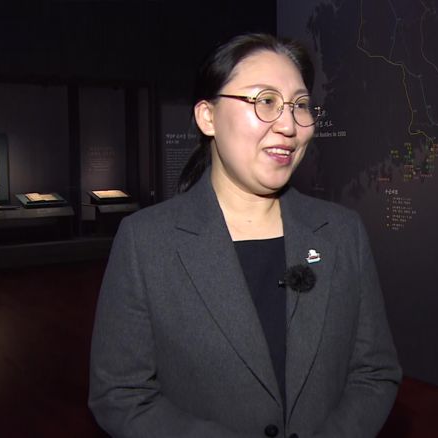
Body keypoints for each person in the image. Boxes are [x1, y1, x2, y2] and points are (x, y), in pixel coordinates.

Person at [89, 33, 402, 437]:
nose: (289, 125)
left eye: (300, 105)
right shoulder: (146, 242)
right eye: (265, 101)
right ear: (208, 117)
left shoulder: (342, 233)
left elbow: (375, 372)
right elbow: (120, 394)